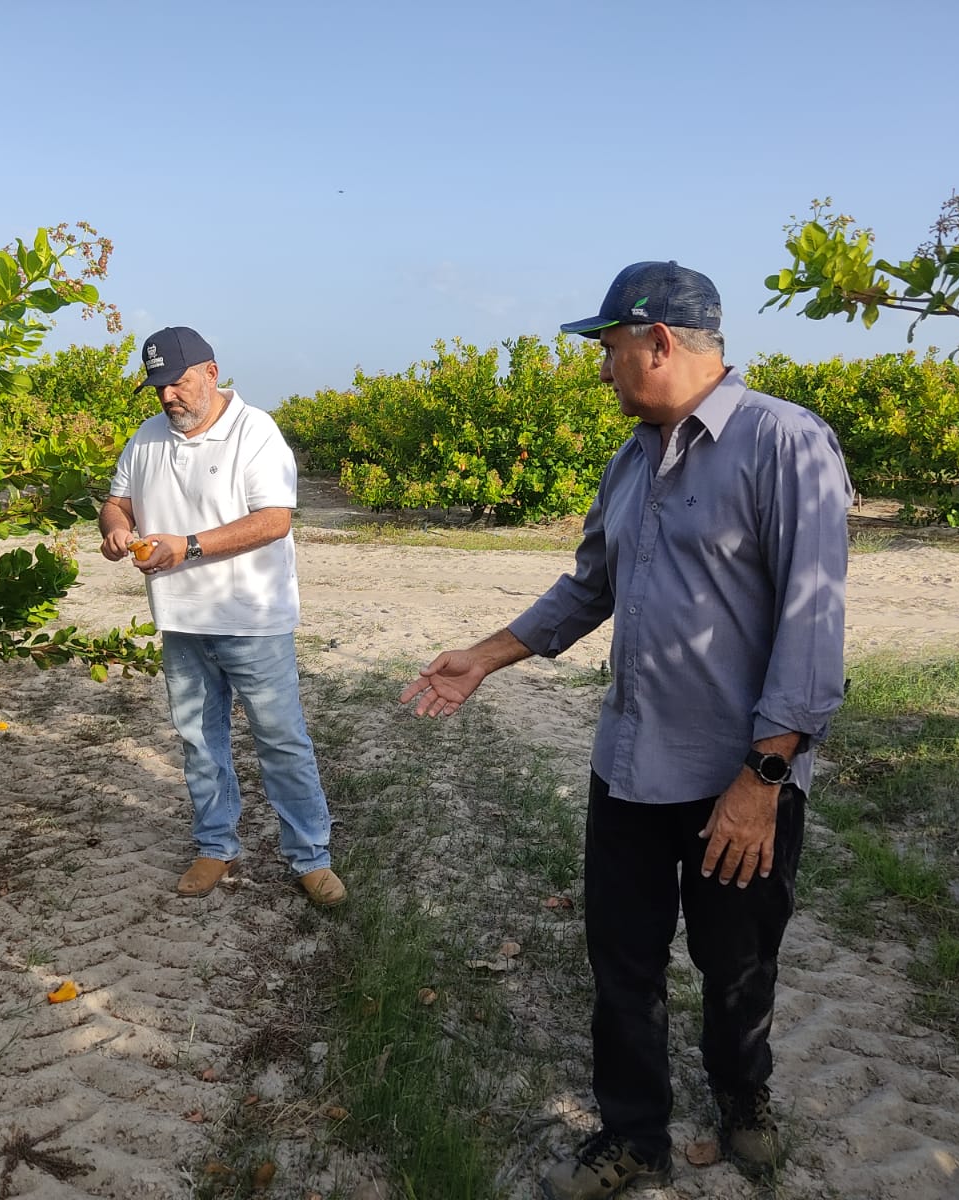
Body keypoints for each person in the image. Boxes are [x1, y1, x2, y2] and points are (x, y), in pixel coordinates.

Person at [400, 263, 850, 1198]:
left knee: (737, 960)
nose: (603, 369)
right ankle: (636, 1133)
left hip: (738, 776)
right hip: (632, 764)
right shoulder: (633, 459)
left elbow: (812, 636)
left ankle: (742, 1099)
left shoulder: (786, 444)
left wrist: (761, 784)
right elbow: (592, 586)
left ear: (659, 343)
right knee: (623, 963)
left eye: (609, 350)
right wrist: (485, 655)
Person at [101, 326, 345, 907]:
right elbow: (118, 500)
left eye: (178, 383)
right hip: (180, 621)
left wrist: (186, 546)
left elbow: (274, 520)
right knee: (198, 739)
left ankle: (310, 857)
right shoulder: (147, 437)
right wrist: (115, 529)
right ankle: (215, 845)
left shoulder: (255, 432)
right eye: (158, 387)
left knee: (281, 740)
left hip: (252, 620)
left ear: (211, 373)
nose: (168, 397)